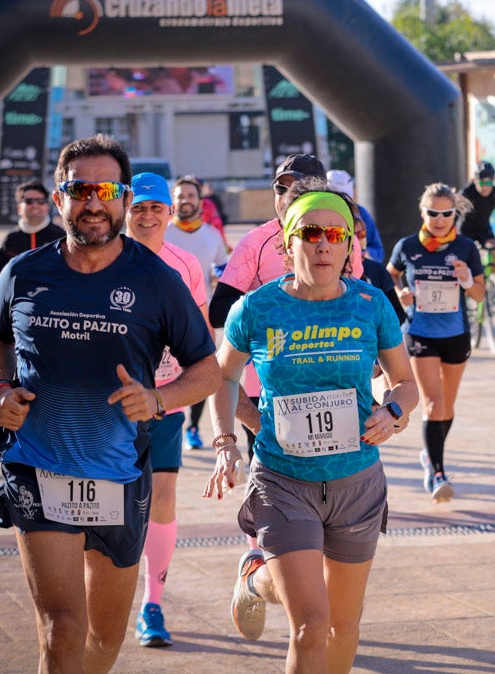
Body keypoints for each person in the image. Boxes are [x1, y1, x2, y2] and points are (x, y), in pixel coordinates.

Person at [0, 134, 219, 672]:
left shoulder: (157, 281)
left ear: (126, 198)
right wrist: (0, 389)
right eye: (80, 189)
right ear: (60, 198)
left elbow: (207, 369)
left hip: (119, 474)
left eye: (107, 189)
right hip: (38, 467)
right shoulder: (25, 272)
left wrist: (158, 399)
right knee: (62, 629)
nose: (94, 203)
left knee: (103, 640)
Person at [204, 181, 418, 672]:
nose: (323, 243)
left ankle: (256, 578)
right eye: (310, 232)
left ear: (349, 244)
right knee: (310, 624)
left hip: (356, 482)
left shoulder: (370, 304)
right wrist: (228, 441)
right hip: (284, 481)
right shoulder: (256, 308)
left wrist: (391, 413)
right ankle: (259, 578)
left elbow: (406, 384)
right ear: (288, 241)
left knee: (344, 624)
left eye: (336, 234)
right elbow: (222, 377)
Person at [209, 153, 333, 544]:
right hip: (266, 387)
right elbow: (218, 312)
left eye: (297, 188)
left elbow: (358, 302)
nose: (286, 195)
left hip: (328, 379)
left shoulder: (340, 238)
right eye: (280, 187)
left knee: (326, 479)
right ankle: (259, 558)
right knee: (269, 481)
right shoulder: (255, 242)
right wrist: (272, 311)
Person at [123, 171, 212, 648]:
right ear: (126, 210)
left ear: (170, 213)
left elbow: (200, 336)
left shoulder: (185, 264)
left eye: (157, 208)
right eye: (139, 207)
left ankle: (152, 603)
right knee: (110, 504)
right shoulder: (105, 259)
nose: (148, 215)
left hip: (163, 402)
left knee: (163, 497)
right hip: (108, 405)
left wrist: (181, 390)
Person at [387, 183, 485, 503]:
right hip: (420, 332)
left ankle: (430, 455)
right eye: (433, 213)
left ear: (454, 214)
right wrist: (400, 294)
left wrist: (466, 279)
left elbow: (480, 294)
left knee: (447, 406)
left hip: (455, 334)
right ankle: (438, 473)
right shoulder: (408, 246)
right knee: (432, 404)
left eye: (447, 214)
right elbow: (391, 274)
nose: (440, 220)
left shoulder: (466, 247)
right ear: (422, 213)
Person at [166, 176, 230, 452]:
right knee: (167, 374)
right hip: (164, 318)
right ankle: (169, 424)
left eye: (190, 195)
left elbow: (223, 269)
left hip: (200, 316)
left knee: (201, 373)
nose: (185, 200)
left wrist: (219, 278)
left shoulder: (211, 235)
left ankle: (193, 427)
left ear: (199, 201)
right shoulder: (162, 232)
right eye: (180, 196)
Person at [0, 179, 64, 284]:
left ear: (47, 206)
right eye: (29, 201)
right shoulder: (11, 239)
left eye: (40, 201)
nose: (35, 205)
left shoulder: (60, 237)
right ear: (19, 208)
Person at [327, 168, 385, 263]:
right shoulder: (318, 215)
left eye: (360, 235)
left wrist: (363, 253)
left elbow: (378, 252)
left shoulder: (361, 213)